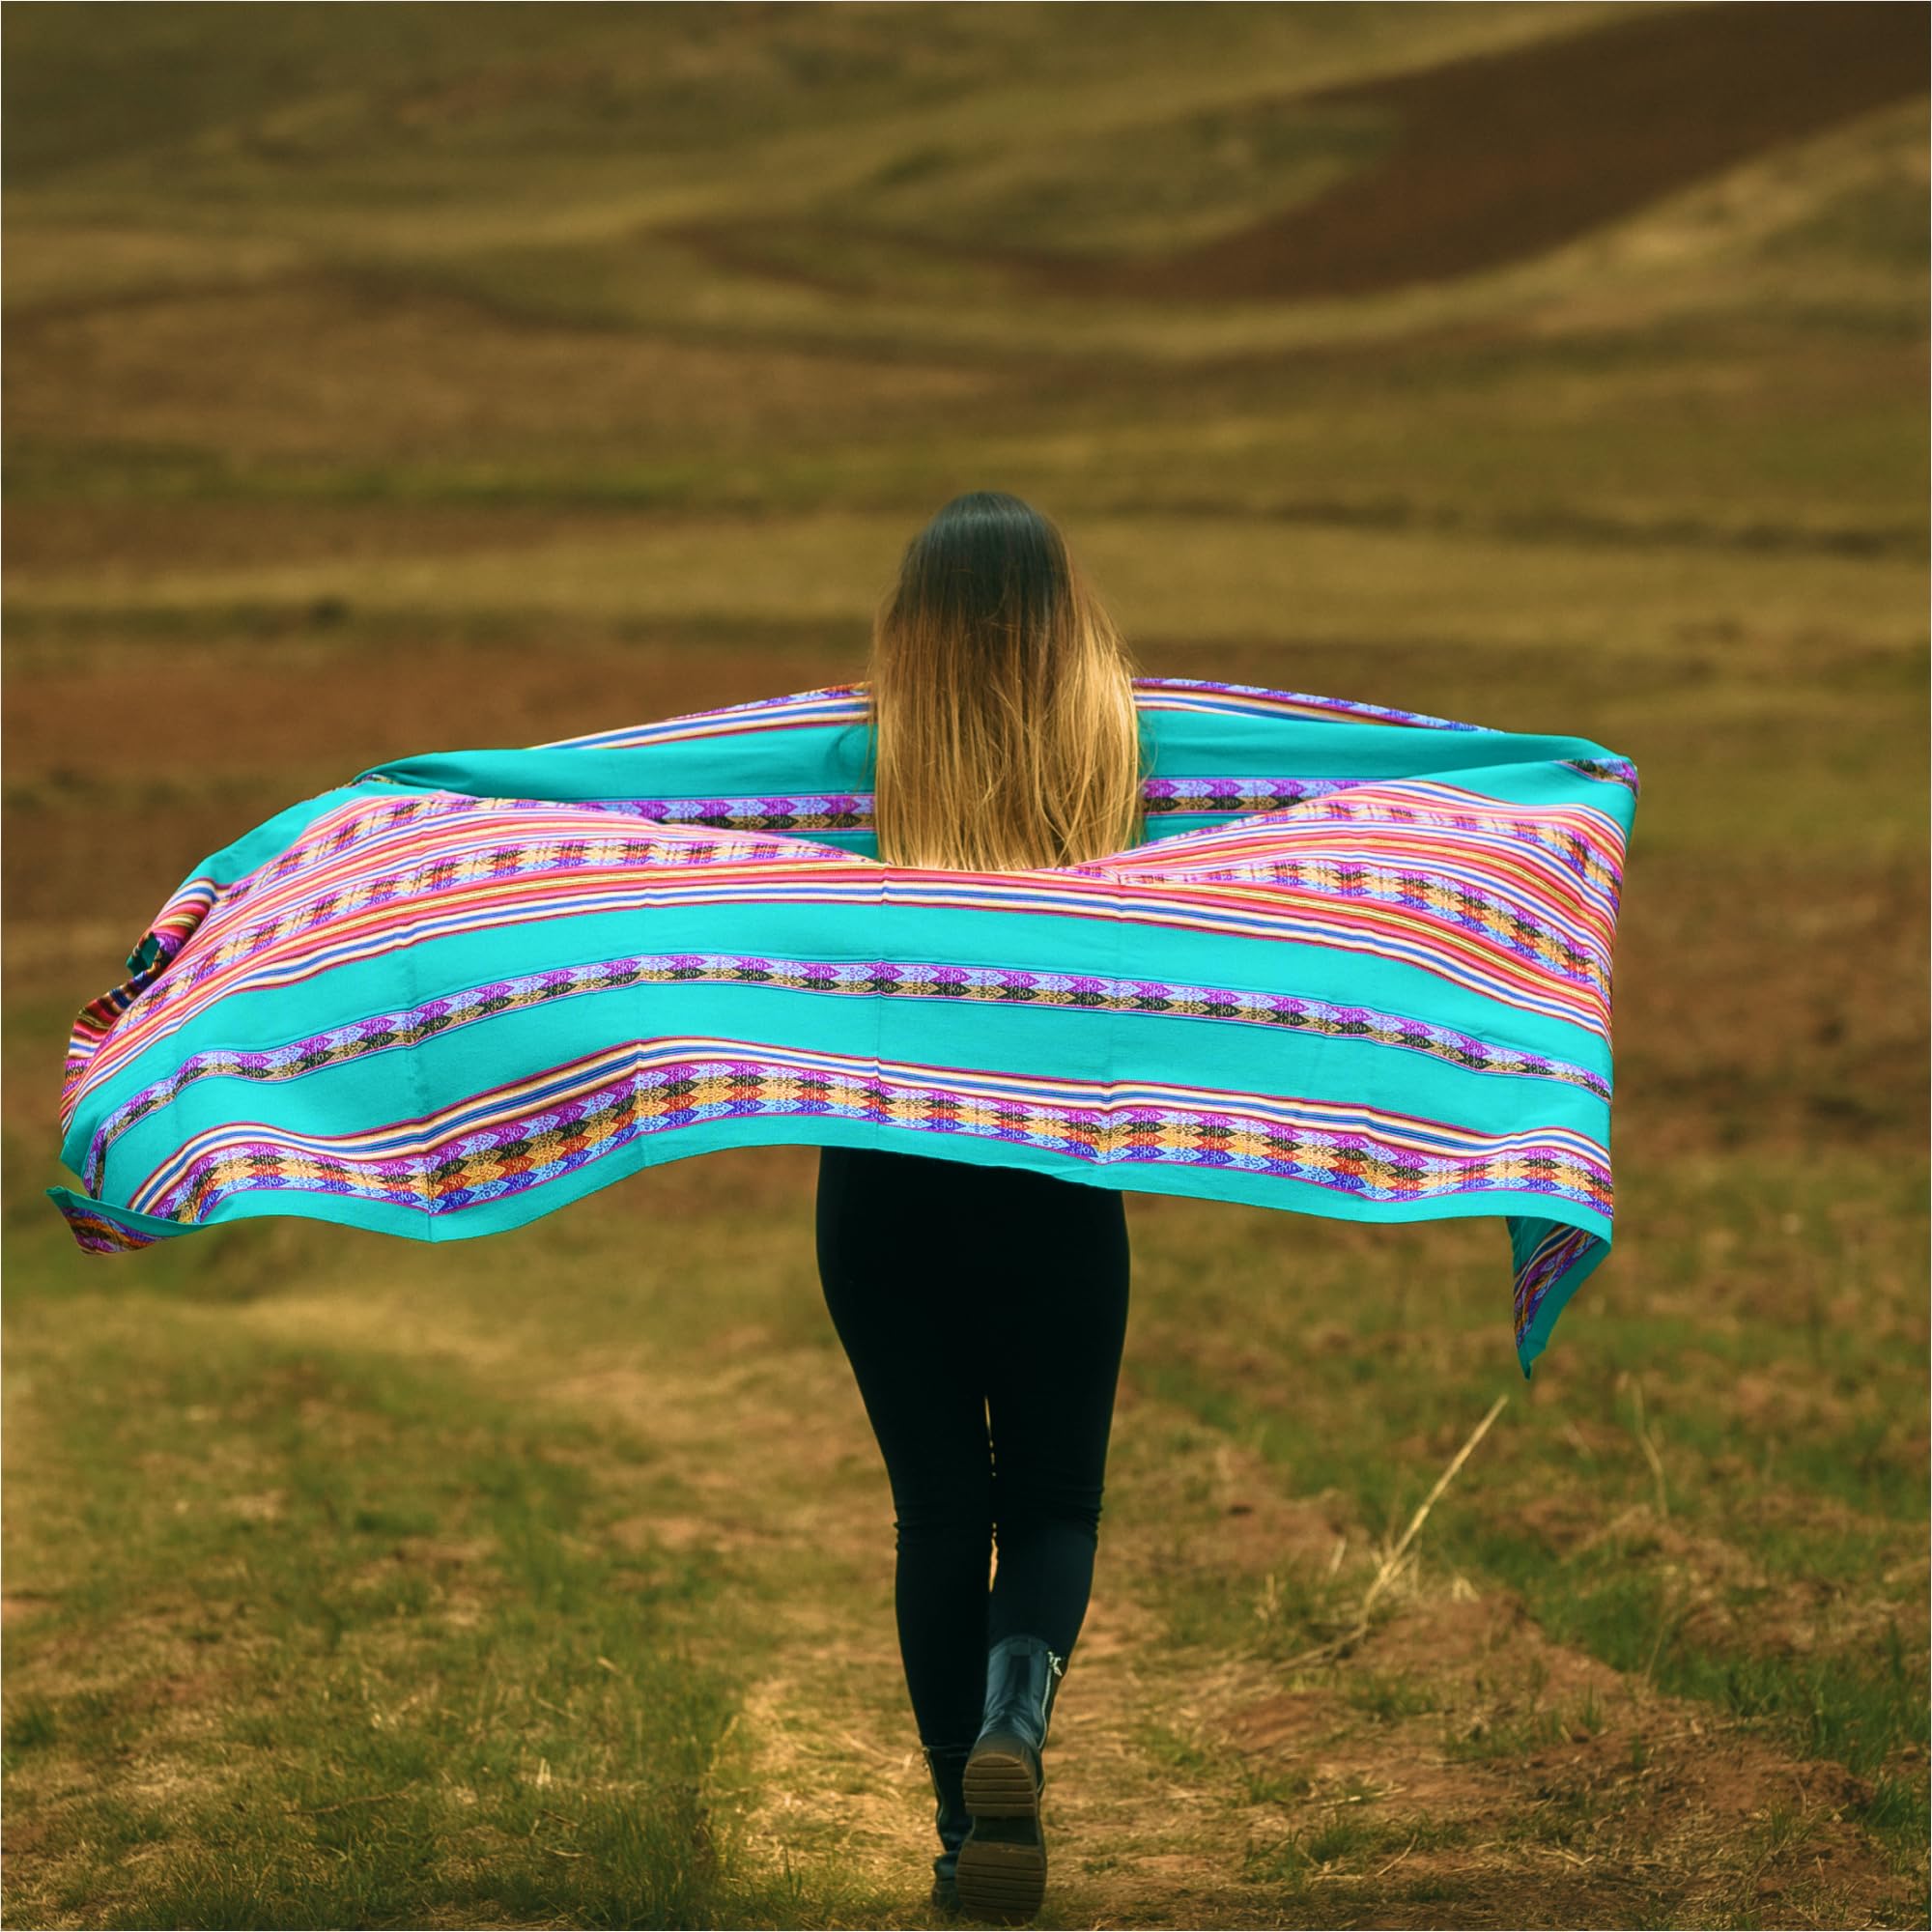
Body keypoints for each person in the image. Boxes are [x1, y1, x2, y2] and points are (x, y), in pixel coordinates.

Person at [813, 492, 1145, 1923]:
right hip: (1056, 1173)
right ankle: (1019, 1726)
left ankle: (966, 1831)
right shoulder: (1127, 755)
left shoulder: (835, 766)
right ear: (1064, 620)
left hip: (881, 1180)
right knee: (1053, 1498)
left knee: (938, 1511)